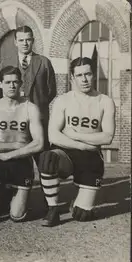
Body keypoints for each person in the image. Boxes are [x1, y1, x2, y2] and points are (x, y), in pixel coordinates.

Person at [38, 57, 116, 227]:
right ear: (72, 78)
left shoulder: (105, 101)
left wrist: (75, 134)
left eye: (88, 74)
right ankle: (53, 209)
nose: (84, 79)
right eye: (79, 75)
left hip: (91, 158)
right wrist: (83, 144)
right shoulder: (63, 100)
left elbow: (107, 137)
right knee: (47, 158)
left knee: (82, 215)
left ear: (93, 75)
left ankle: (79, 200)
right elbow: (53, 136)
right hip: (66, 152)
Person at [0, 66, 44, 226]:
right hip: (0, 160)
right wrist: (15, 145)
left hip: (22, 162)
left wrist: (10, 154)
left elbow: (39, 143)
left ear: (21, 84)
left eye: (15, 82)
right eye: (7, 82)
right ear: (0, 84)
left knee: (17, 216)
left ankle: (10, 192)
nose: (12, 86)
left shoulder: (30, 108)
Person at [0, 25, 56, 156]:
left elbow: (51, 91)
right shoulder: (5, 63)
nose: (24, 43)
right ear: (15, 42)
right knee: (16, 159)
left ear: (33, 40)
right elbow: (0, 92)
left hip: (39, 119)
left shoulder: (44, 62)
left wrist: (39, 104)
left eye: (28, 40)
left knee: (43, 160)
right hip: (14, 120)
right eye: (21, 40)